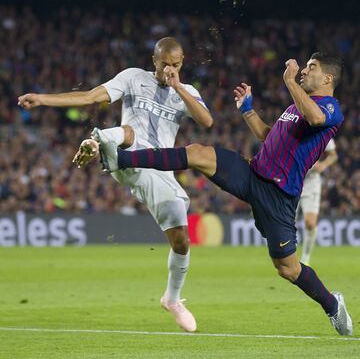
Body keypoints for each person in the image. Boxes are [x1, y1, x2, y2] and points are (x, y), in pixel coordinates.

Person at [92, 53, 353, 336]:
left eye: (311, 68)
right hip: (253, 174)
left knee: (287, 269)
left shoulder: (330, 108)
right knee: (197, 153)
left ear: (328, 78)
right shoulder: (295, 107)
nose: (304, 70)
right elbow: (269, 136)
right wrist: (248, 111)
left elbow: (315, 119)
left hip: (279, 196)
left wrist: (290, 81)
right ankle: (120, 159)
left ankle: (331, 303)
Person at [18, 37, 214, 332]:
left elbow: (206, 121)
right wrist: (43, 98)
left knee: (182, 241)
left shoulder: (186, 92)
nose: (169, 70)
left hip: (158, 169)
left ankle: (172, 300)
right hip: (128, 154)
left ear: (182, 63)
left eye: (176, 65)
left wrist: (178, 88)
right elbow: (91, 97)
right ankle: (98, 141)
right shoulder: (133, 78)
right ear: (154, 61)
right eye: (165, 65)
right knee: (129, 131)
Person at [298, 138, 338, 265]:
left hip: (311, 182)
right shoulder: (293, 129)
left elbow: (333, 155)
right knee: (287, 222)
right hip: (292, 179)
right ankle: (287, 256)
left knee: (310, 223)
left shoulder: (322, 132)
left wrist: (323, 165)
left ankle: (305, 258)